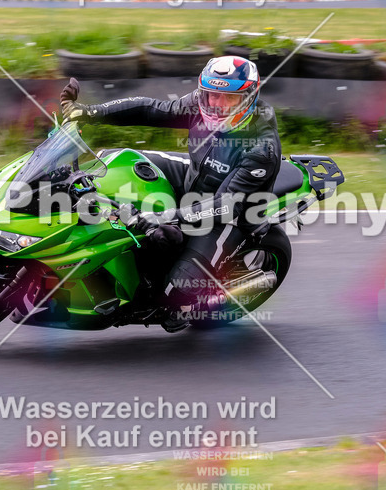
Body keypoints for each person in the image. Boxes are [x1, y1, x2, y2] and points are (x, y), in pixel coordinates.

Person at [60, 56, 282, 332]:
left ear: (248, 98)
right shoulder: (201, 104)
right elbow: (151, 109)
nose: (216, 105)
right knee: (115, 161)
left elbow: (225, 207)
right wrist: (89, 112)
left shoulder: (261, 148)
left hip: (231, 216)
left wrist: (164, 216)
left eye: (228, 99)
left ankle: (189, 305)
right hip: (196, 176)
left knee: (175, 296)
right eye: (211, 95)